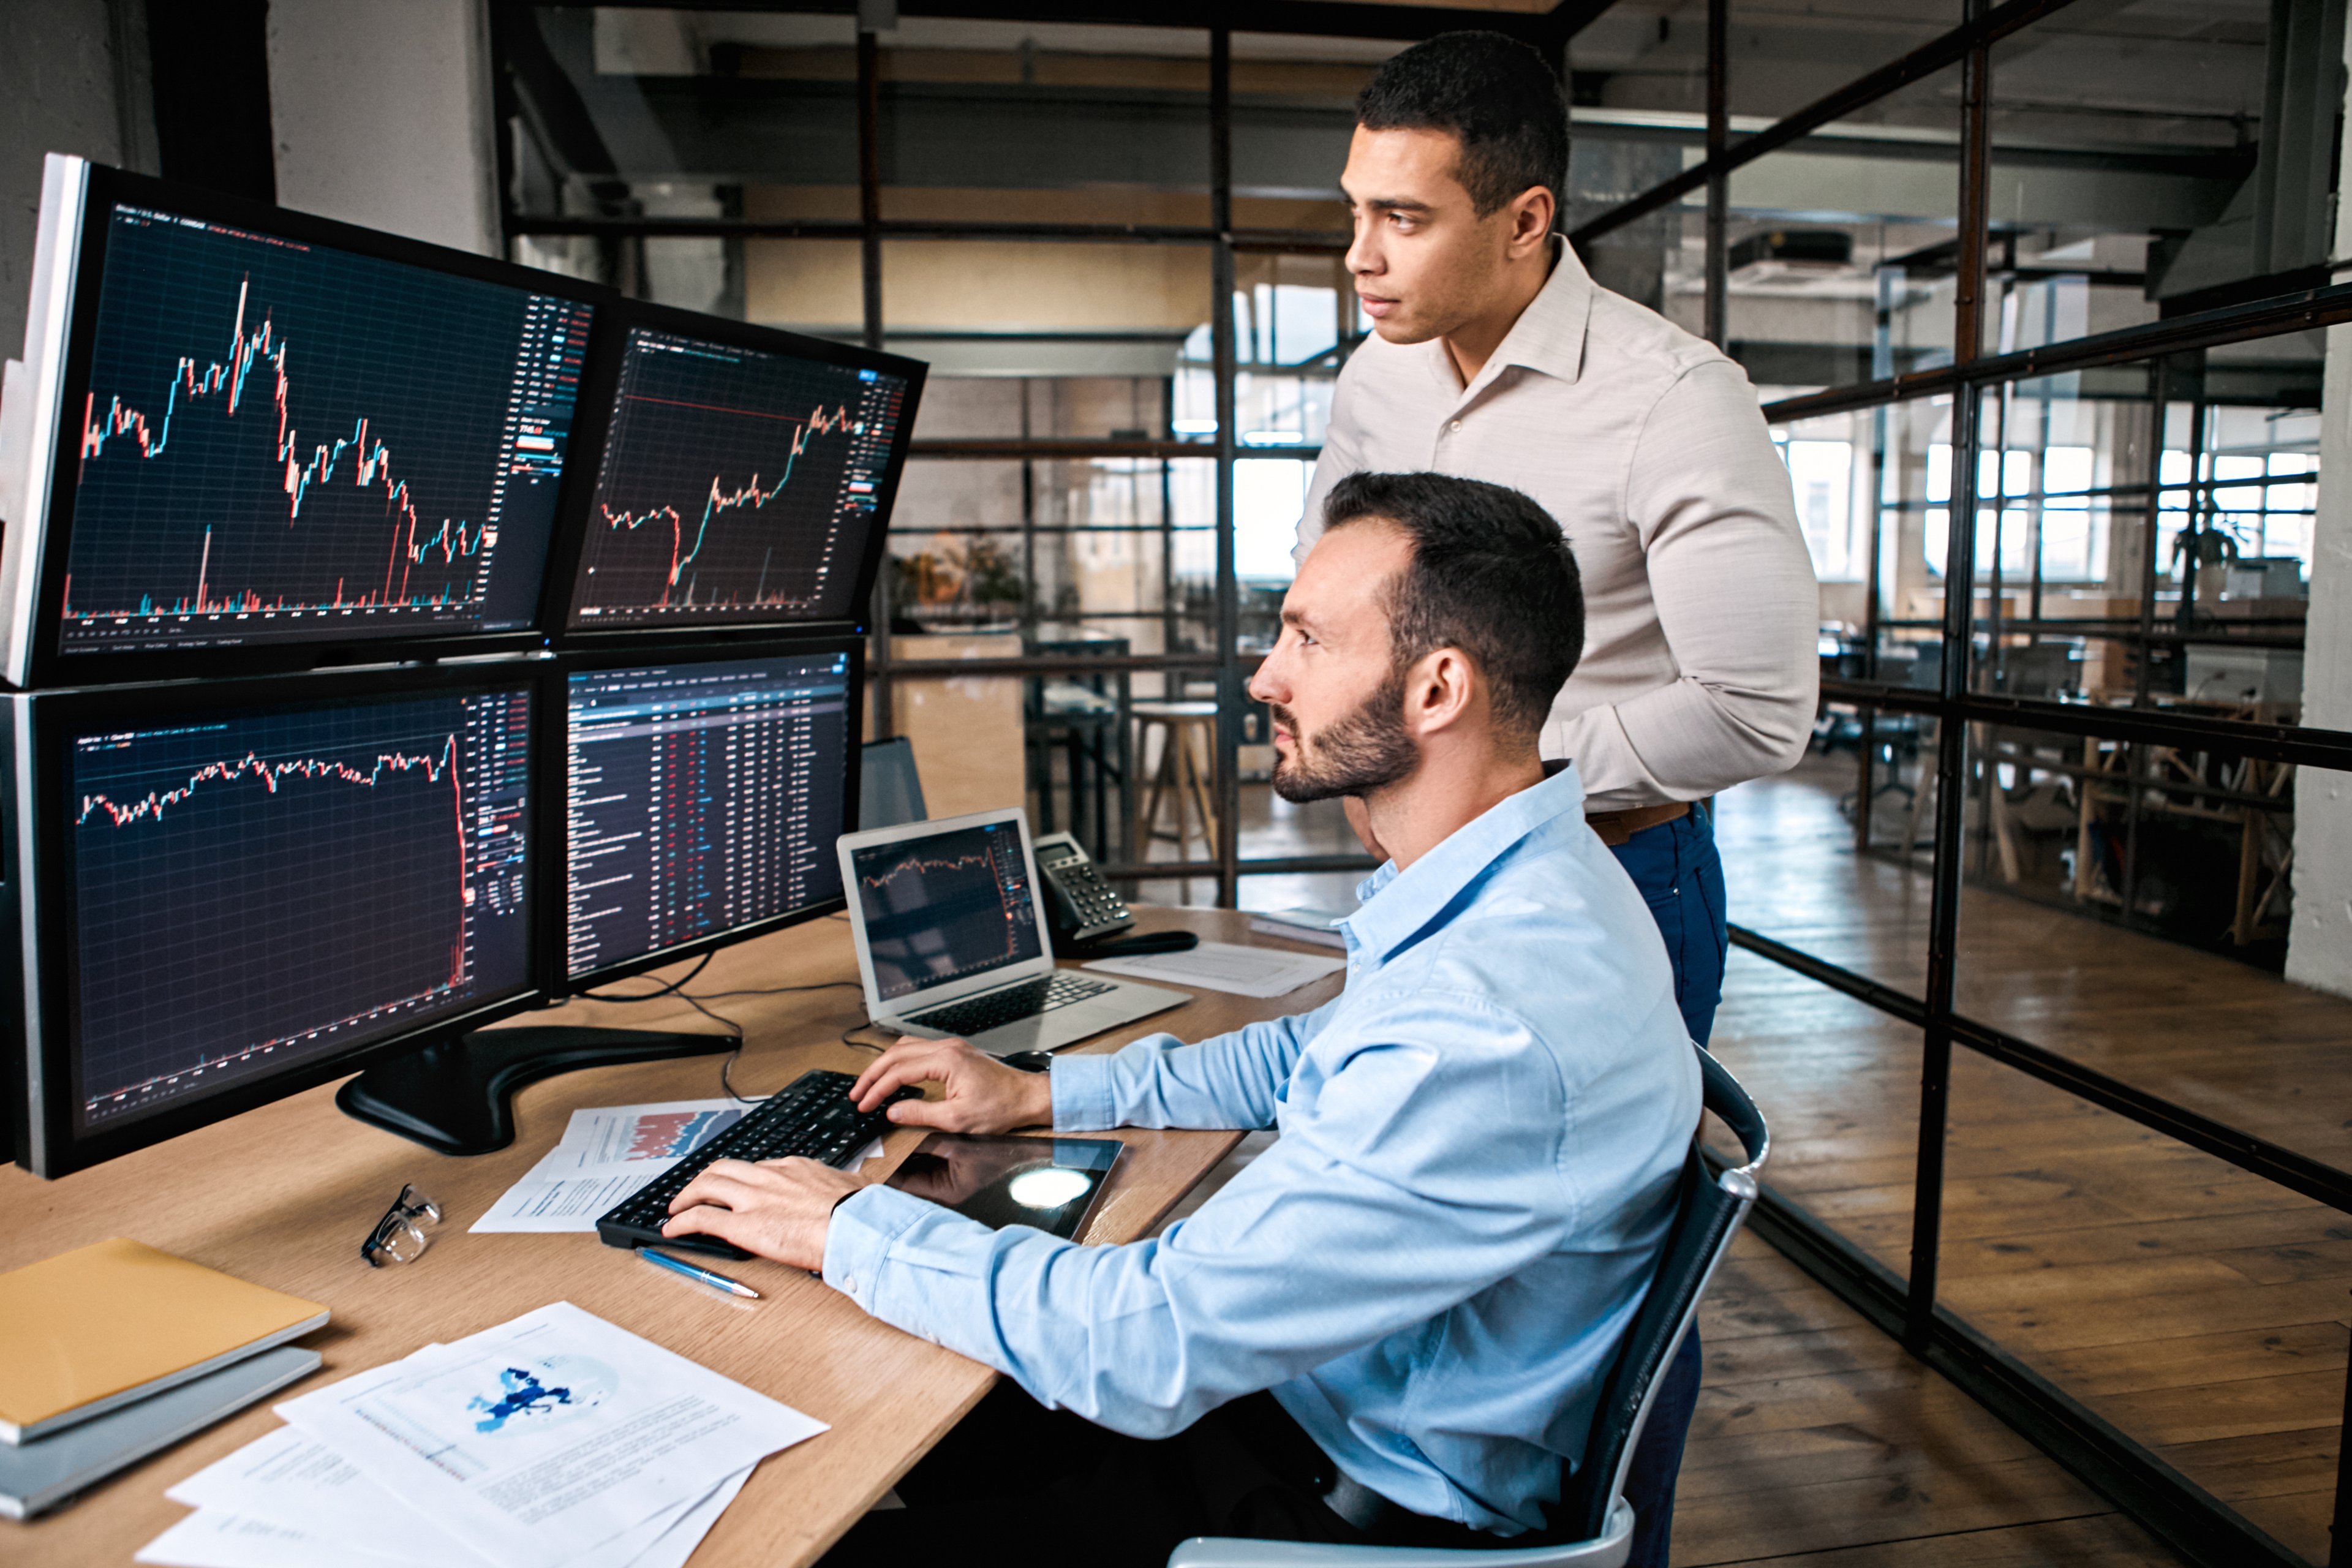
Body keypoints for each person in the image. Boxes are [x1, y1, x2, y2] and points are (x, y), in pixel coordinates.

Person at [664, 472, 1702, 1567]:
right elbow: (1316, 1047)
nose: (1265, 676)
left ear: (1437, 688)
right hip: (1308, 1409)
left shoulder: (1484, 1022)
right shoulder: (1545, 883)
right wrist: (1045, 1092)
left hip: (1325, 1504)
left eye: (1306, 640)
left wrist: (845, 1226)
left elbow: (1148, 1346)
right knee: (899, 1395)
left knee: (818, 1495)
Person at [1303, 34, 1820, 1562]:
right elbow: (1342, 605)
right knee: (1439, 1248)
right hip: (1419, 883)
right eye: (1354, 210)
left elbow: (1756, 703)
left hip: (1617, 888)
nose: (1360, 257)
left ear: (1526, 220)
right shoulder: (1373, 379)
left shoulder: (1674, 398)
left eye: (1405, 218)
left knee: (1593, 1290)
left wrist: (1485, 774)